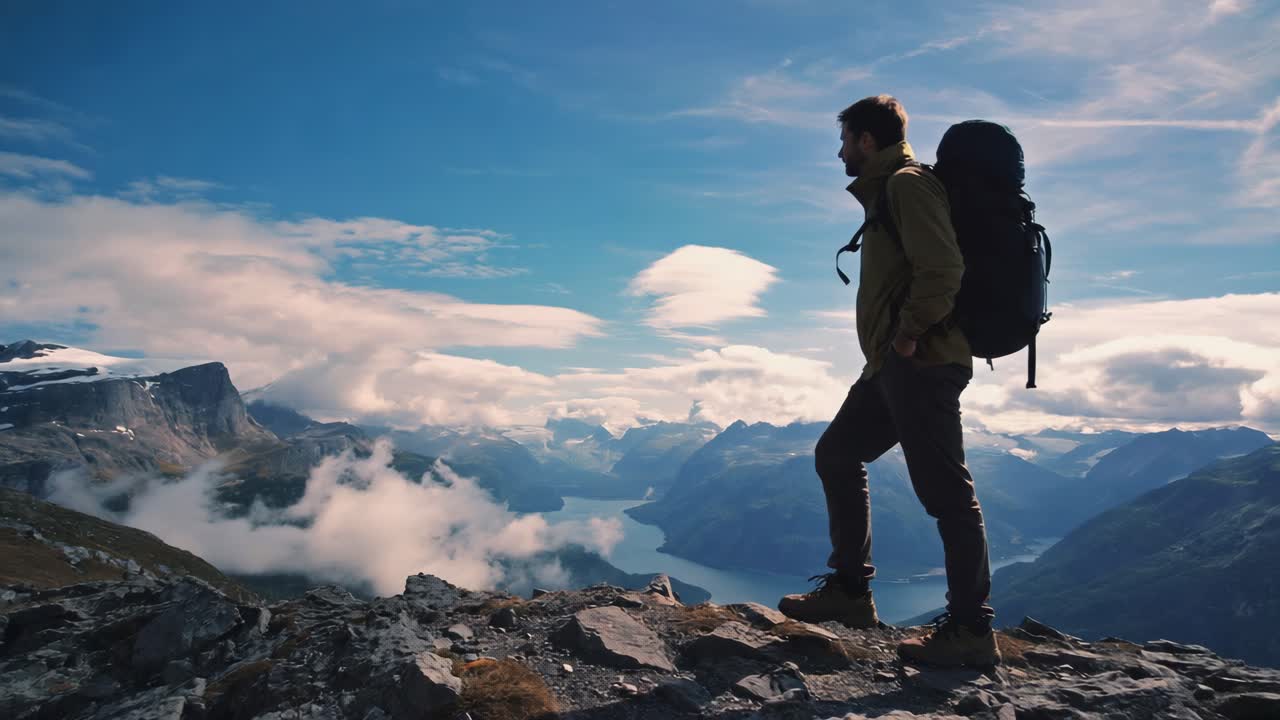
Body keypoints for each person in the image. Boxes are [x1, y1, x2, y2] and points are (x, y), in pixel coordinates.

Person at [776, 94, 1000, 667]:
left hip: (919, 362)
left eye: (846, 139)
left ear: (867, 140)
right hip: (890, 365)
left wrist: (907, 335)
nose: (840, 152)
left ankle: (972, 630)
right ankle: (851, 593)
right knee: (836, 454)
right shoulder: (888, 191)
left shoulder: (906, 185)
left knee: (948, 497)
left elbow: (943, 268)